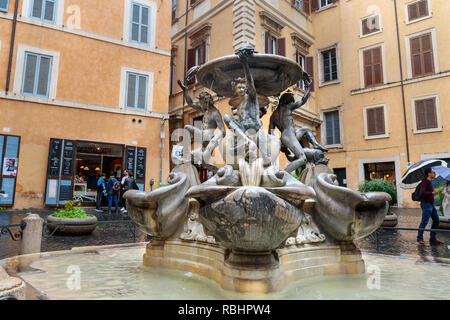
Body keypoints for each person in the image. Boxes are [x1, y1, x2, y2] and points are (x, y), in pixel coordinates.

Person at [417, 168, 443, 245]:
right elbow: (422, 193)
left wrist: (433, 191)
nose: (434, 174)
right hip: (426, 204)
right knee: (424, 221)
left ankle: (432, 238)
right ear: (429, 174)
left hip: (431, 204)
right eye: (433, 173)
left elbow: (429, 192)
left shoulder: (429, 182)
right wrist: (432, 192)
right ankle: (419, 238)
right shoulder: (425, 182)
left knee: (436, 220)